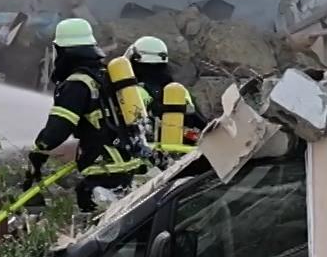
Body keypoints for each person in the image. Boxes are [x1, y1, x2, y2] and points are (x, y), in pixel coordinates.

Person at [27, 18, 146, 211]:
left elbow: (58, 130)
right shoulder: (105, 75)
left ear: (63, 51)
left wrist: (39, 149)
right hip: (129, 167)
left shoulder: (77, 84)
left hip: (103, 173)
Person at [125, 36, 207, 142]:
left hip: (144, 148)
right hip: (185, 148)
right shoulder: (179, 91)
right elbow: (201, 123)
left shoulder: (132, 91)